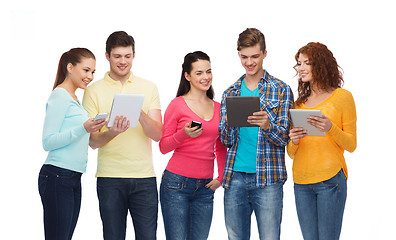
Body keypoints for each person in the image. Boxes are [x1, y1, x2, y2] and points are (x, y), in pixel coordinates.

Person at [82, 31, 162, 240]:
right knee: (113, 236)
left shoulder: (149, 87)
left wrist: (140, 113)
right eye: (117, 56)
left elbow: (157, 134)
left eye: (127, 56)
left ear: (134, 55)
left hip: (144, 178)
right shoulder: (93, 91)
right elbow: (92, 141)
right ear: (107, 56)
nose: (123, 61)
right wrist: (112, 133)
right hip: (110, 178)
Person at [219, 28, 293, 240]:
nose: (249, 62)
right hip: (235, 179)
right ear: (238, 54)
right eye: (244, 57)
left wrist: (268, 126)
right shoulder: (230, 92)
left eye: (255, 56)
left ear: (265, 54)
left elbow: (285, 138)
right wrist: (234, 123)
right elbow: (225, 140)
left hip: (268, 179)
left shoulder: (281, 89)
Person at [287, 42, 357, 240]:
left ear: (320, 64)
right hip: (301, 183)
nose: (300, 68)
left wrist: (330, 128)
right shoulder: (298, 104)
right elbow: (291, 153)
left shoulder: (342, 97)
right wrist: (294, 140)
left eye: (305, 63)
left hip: (330, 181)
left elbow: (351, 145)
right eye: (298, 64)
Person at [39, 48, 106, 240]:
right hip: (57, 176)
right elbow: (48, 141)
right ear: (70, 67)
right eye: (86, 70)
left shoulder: (75, 99)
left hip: (72, 177)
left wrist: (95, 127)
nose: (90, 76)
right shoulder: (60, 95)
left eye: (93, 72)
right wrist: (84, 128)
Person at [159, 51, 227, 240]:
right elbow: (163, 146)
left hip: (205, 187)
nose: (205, 77)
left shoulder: (219, 107)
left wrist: (221, 177)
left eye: (208, 71)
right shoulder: (177, 105)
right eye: (199, 73)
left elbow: (221, 147)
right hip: (175, 185)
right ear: (187, 76)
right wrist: (183, 134)